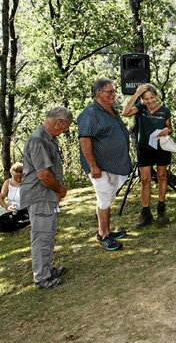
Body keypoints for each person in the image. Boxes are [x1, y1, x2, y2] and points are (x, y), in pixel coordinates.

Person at [17, 107, 72, 288]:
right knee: (41, 236)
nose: (64, 131)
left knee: (48, 234)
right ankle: (42, 278)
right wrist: (60, 189)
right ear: (59, 123)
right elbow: (44, 175)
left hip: (45, 195)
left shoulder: (47, 138)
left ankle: (47, 269)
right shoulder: (38, 140)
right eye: (65, 128)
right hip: (39, 195)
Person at [78, 78, 132, 251]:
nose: (113, 94)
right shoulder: (90, 114)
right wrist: (93, 166)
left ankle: (105, 230)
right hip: (100, 166)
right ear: (98, 93)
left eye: (113, 91)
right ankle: (104, 235)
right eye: (110, 92)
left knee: (107, 197)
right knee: (104, 198)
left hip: (113, 165)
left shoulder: (109, 110)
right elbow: (85, 140)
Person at [122, 84, 173, 227]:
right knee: (145, 180)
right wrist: (136, 94)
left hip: (161, 147)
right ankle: (145, 212)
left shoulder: (164, 111)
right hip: (144, 147)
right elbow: (125, 112)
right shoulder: (140, 109)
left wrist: (166, 130)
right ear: (142, 100)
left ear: (156, 96)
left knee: (162, 176)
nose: (150, 101)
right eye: (146, 99)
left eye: (152, 98)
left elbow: (170, 127)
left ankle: (161, 208)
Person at [0, 163, 30, 233]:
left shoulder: (29, 183)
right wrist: (7, 207)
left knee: (10, 222)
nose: (19, 180)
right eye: (16, 178)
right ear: (11, 174)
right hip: (10, 210)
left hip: (25, 211)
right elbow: (1, 198)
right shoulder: (7, 182)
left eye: (21, 177)